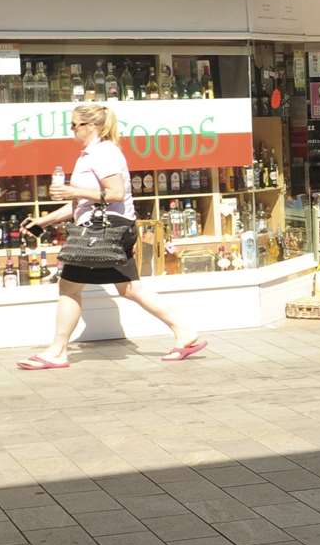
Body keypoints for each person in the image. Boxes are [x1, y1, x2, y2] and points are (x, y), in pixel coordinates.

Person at [17, 104, 202, 369]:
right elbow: (82, 202)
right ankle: (184, 332)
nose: (71, 130)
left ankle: (57, 351)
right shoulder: (92, 154)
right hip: (110, 229)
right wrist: (43, 220)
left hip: (103, 231)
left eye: (74, 125)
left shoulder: (104, 153)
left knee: (70, 287)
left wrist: (72, 190)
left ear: (91, 126)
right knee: (129, 289)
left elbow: (115, 193)